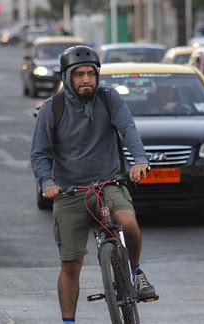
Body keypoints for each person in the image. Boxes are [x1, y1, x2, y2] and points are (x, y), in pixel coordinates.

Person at [30, 45, 157, 324]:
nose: (86, 79)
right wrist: (47, 182)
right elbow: (40, 154)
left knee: (128, 222)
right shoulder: (53, 108)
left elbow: (128, 130)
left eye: (91, 73)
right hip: (69, 191)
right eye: (79, 74)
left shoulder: (109, 98)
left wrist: (139, 160)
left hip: (108, 183)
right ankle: (68, 321)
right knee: (71, 264)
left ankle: (135, 272)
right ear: (67, 77)